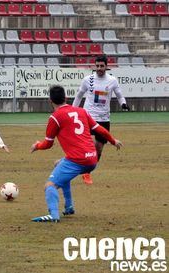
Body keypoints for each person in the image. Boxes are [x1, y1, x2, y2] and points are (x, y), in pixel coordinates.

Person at [30, 85, 123, 222]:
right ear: (66, 98)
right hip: (92, 159)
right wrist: (113, 141)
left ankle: (53, 215)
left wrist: (37, 146)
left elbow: (48, 144)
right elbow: (100, 129)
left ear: (50, 101)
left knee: (50, 186)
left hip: (77, 160)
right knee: (59, 164)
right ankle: (69, 206)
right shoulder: (81, 111)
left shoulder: (55, 118)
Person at [73, 55, 129, 185]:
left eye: (101, 66)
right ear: (94, 66)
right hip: (88, 116)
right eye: (97, 66)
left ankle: (87, 172)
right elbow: (79, 95)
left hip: (104, 118)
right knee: (85, 146)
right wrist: (73, 110)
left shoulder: (112, 80)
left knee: (98, 149)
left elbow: (119, 95)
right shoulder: (88, 80)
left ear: (106, 66)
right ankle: (81, 171)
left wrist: (123, 104)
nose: (99, 68)